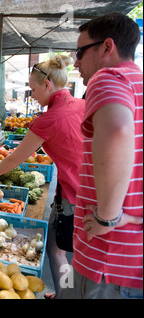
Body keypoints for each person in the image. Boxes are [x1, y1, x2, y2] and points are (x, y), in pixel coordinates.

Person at [0, 55, 86, 299]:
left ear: (47, 85)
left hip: (72, 195)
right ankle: (67, 292)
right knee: (76, 250)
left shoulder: (48, 120)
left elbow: (15, 158)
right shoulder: (82, 105)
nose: (32, 95)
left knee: (57, 251)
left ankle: (66, 294)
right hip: (92, 191)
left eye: (33, 89)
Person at [59, 12, 143, 299]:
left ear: (107, 48)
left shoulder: (109, 76)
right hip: (132, 264)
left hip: (105, 263)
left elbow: (118, 130)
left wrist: (108, 217)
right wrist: (132, 219)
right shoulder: (139, 85)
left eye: (80, 52)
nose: (76, 62)